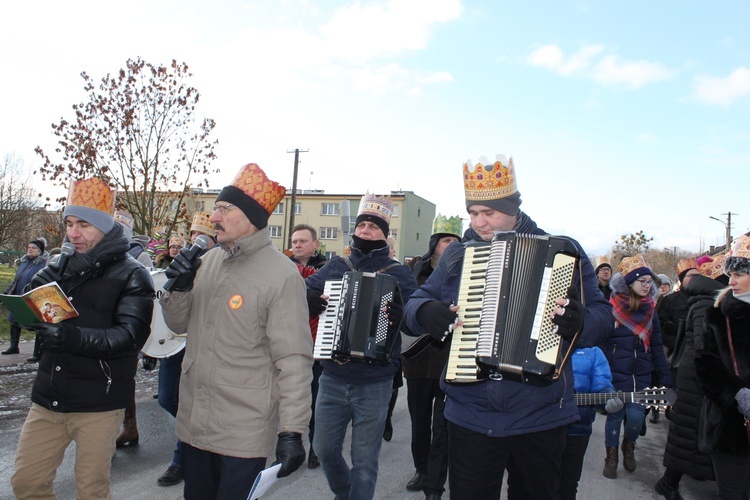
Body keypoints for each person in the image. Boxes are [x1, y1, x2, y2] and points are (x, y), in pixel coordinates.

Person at [403, 154, 613, 500]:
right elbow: (413, 304)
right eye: (473, 213)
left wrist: (580, 322)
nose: (480, 222)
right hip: (470, 413)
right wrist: (425, 312)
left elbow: (604, 318)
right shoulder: (457, 257)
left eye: (490, 213)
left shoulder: (564, 251)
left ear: (514, 209)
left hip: (540, 412)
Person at [160, 163, 313, 499]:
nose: (214, 217)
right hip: (194, 426)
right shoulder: (208, 261)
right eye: (216, 208)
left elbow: (294, 359)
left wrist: (292, 431)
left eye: (224, 209)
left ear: (251, 218)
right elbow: (178, 325)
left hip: (242, 435)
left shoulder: (282, 275)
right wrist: (179, 288)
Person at [10, 177, 154, 498]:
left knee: (91, 490)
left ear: (105, 227)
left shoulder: (132, 273)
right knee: (27, 482)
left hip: (99, 403)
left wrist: (70, 338)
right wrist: (38, 293)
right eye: (69, 224)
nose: (73, 234)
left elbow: (130, 337)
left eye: (84, 225)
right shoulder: (62, 265)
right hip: (49, 396)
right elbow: (38, 301)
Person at [305, 193, 418, 500]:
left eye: (373, 226)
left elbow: (416, 320)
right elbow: (303, 292)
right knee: (324, 450)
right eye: (362, 225)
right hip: (333, 375)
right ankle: (345, 494)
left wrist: (402, 314)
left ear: (385, 233)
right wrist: (309, 300)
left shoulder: (399, 274)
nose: (366, 230)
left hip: (375, 381)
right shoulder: (336, 266)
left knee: (365, 462)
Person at [154, 210, 218, 487]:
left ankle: (181, 460)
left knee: (193, 401)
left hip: (202, 347)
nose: (195, 240)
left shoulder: (219, 270)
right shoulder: (179, 266)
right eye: (193, 234)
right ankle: (193, 439)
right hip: (174, 343)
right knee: (168, 398)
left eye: (202, 236)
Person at [655, 254, 726, 499]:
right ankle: (668, 483)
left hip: (698, 374)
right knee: (689, 432)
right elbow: (706, 347)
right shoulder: (709, 303)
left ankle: (675, 479)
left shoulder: (711, 300)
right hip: (697, 377)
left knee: (693, 432)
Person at [401, 213, 461, 497]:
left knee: (444, 425)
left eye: (456, 241)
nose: (451, 245)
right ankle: (421, 469)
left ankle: (434, 482)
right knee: (419, 422)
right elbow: (407, 309)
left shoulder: (465, 271)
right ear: (435, 243)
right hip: (416, 360)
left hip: (448, 360)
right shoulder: (415, 269)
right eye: (446, 240)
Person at [601, 254, 672, 479]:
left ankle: (628, 445)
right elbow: (601, 344)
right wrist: (601, 378)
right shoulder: (610, 307)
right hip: (615, 375)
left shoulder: (651, 310)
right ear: (630, 282)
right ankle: (610, 456)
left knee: (635, 419)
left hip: (641, 376)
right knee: (614, 416)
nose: (647, 285)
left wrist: (666, 377)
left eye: (649, 282)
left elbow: (657, 346)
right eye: (642, 281)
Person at [695, 235, 750, 499]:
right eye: (731, 274)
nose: (731, 281)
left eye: (739, 274)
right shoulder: (718, 315)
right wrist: (737, 394)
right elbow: (705, 365)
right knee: (733, 493)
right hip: (730, 427)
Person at [289, 223, 328, 470]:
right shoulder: (282, 269)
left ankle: (316, 446)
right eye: (294, 242)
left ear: (315, 244)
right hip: (290, 343)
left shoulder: (328, 269)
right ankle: (290, 444)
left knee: (316, 400)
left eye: (303, 241)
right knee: (290, 399)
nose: (297, 245)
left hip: (318, 344)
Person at [562, 346, 622, 500]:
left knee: (567, 485)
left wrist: (608, 396)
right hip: (540, 429)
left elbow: (602, 383)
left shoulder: (593, 352)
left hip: (577, 429)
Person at [2, 238, 48, 355]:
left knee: (36, 325)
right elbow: (16, 280)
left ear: (40, 251)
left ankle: (38, 352)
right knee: (14, 321)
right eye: (29, 248)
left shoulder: (44, 263)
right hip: (19, 296)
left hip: (33, 298)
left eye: (33, 248)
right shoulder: (24, 262)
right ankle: (14, 346)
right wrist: (6, 293)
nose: (30, 250)